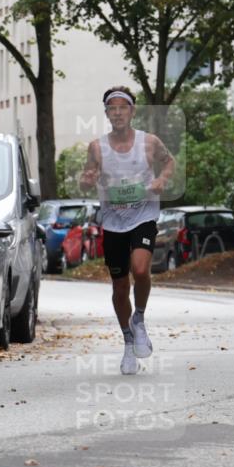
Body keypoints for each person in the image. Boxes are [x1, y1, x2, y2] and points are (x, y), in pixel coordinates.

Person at [79, 86, 175, 375]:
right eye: (112, 108)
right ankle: (128, 339)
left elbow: (169, 162)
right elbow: (87, 180)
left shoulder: (149, 142)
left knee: (142, 269)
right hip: (113, 220)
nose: (118, 113)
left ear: (132, 111)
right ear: (107, 113)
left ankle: (141, 318)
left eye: (123, 107)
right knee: (120, 286)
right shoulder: (97, 147)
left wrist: (162, 179)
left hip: (144, 214)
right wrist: (88, 179)